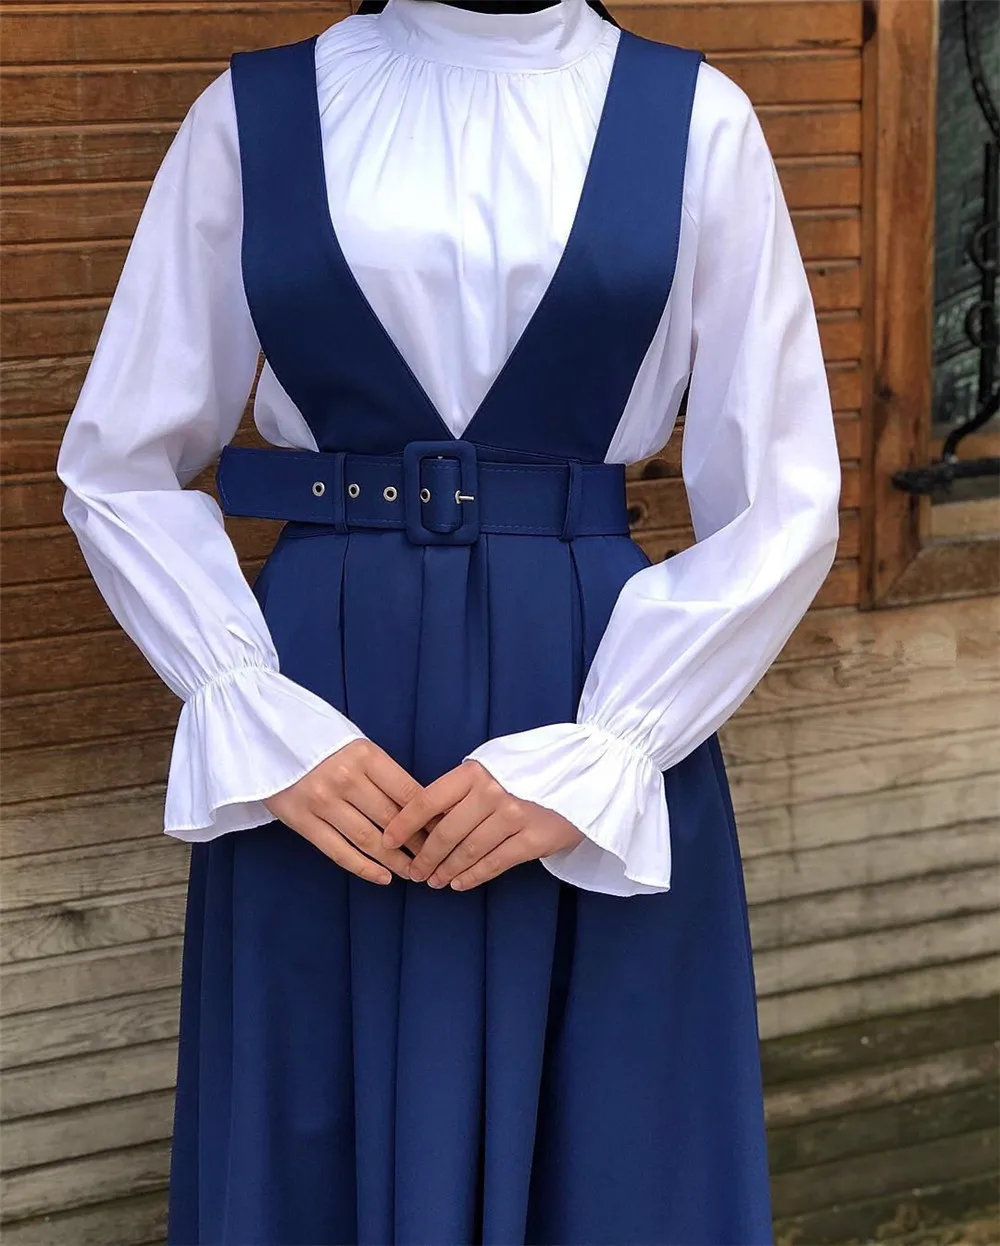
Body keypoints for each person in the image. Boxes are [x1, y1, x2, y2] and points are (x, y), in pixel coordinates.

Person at [55, 0, 842, 1242]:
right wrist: (246, 706)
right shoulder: (252, 117)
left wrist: (613, 747)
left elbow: (784, 494)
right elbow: (118, 462)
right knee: (311, 1120)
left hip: (586, 687)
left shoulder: (699, 121)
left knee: (609, 1141)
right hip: (322, 720)